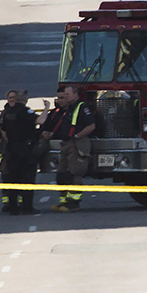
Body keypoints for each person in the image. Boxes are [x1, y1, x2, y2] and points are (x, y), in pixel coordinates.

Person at [39, 82, 98, 212]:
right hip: (66, 144)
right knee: (61, 174)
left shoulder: (82, 108)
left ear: (75, 95)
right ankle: (63, 201)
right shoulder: (68, 109)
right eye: (64, 95)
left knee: (75, 174)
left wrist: (77, 136)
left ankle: (74, 203)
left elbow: (91, 126)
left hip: (77, 144)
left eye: (67, 94)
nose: (65, 97)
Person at [0, 89, 40, 215]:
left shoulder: (7, 113)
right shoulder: (26, 111)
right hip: (24, 150)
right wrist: (46, 108)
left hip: (11, 150)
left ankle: (13, 207)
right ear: (24, 100)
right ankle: (26, 207)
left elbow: (2, 131)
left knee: (12, 178)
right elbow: (40, 121)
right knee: (26, 179)